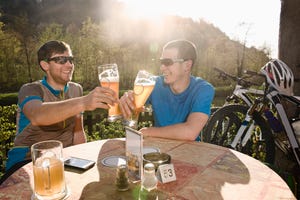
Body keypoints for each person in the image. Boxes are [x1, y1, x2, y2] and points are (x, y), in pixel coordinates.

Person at [6, 40, 117, 171]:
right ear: (45, 65)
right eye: (61, 60)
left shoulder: (76, 89)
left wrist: (82, 159)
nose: (69, 65)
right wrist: (83, 102)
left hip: (64, 160)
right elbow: (37, 116)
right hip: (26, 161)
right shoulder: (31, 89)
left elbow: (78, 130)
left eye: (71, 59)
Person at [119, 39, 215, 141]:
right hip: (159, 150)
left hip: (189, 152)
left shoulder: (203, 89)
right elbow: (131, 106)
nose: (162, 67)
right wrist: (125, 102)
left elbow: (190, 132)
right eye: (161, 62)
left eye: (167, 62)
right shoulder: (154, 84)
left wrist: (148, 131)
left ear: (187, 65)